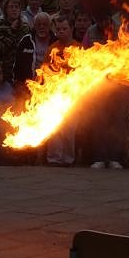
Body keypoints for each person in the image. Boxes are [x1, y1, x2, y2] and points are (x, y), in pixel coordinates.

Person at [45, 14, 80, 166]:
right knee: (55, 127)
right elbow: (44, 71)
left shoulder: (78, 48)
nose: (61, 31)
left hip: (73, 95)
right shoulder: (52, 49)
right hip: (55, 94)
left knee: (69, 128)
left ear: (71, 28)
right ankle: (54, 158)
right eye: (58, 29)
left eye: (64, 28)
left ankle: (68, 159)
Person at [0, 0, 30, 82]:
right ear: (5, 10)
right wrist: (11, 31)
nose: (14, 9)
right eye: (11, 7)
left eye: (16, 7)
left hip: (21, 72)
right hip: (4, 73)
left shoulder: (25, 28)